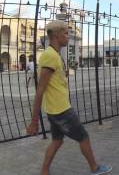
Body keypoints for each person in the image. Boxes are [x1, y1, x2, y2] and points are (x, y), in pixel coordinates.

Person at [26, 21, 112, 175]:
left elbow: (54, 80)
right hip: (61, 110)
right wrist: (34, 121)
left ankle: (44, 171)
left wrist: (65, 73)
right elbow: (40, 89)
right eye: (66, 33)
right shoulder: (50, 56)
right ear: (57, 35)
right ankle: (95, 168)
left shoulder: (54, 55)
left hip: (55, 109)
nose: (68, 36)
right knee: (83, 137)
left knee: (57, 141)